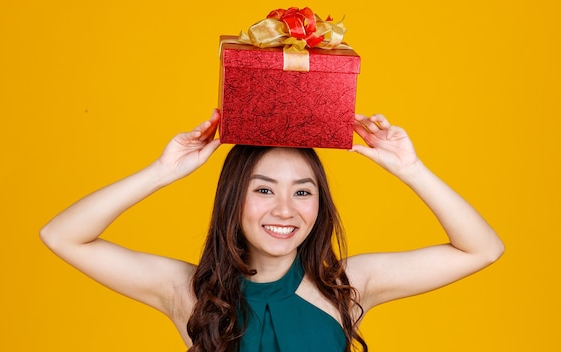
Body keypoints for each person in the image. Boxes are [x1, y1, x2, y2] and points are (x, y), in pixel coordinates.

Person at [40, 110, 504, 352]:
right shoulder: (187, 292)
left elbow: (481, 249)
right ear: (233, 199)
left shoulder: (347, 286)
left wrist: (413, 169)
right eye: (263, 190)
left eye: (303, 193)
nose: (285, 209)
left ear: (319, 206)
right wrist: (162, 172)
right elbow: (62, 235)